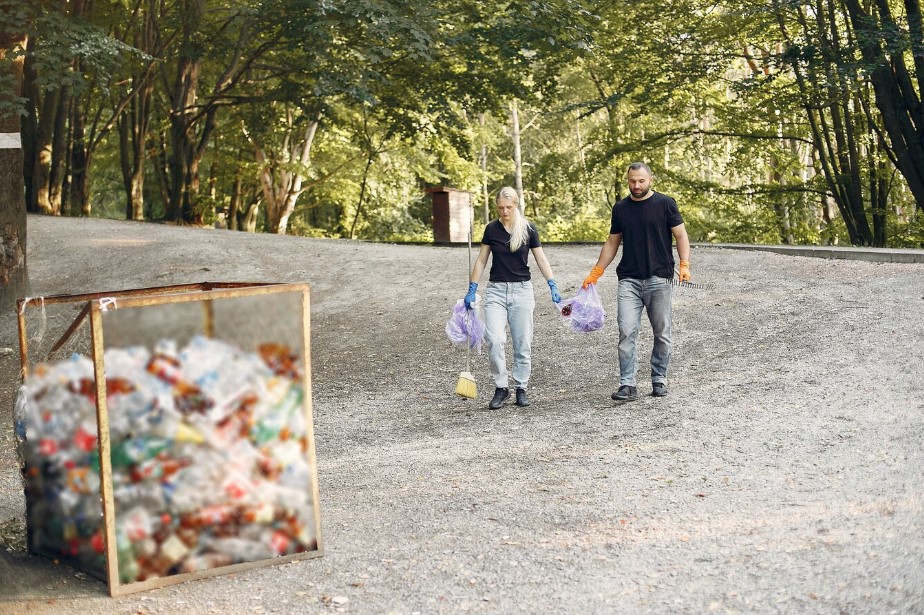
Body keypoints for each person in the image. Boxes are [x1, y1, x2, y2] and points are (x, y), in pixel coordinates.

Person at [582, 162, 691, 401]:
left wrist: (684, 264)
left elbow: (681, 235)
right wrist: (596, 272)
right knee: (627, 330)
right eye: (632, 181)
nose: (637, 185)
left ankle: (659, 379)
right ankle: (627, 385)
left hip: (659, 278)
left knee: (662, 331)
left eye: (641, 181)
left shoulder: (665, 204)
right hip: (629, 280)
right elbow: (612, 242)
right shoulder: (621, 208)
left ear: (650, 179)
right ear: (628, 180)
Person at [465, 187, 560, 409]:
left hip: (522, 291)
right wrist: (472, 288)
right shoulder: (491, 229)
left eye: (508, 207)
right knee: (495, 339)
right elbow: (481, 260)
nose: (505, 211)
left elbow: (541, 259)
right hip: (496, 291)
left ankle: (521, 387)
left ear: (516, 204)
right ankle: (501, 387)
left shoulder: (528, 229)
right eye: (501, 208)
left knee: (522, 342)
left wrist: (552, 284)